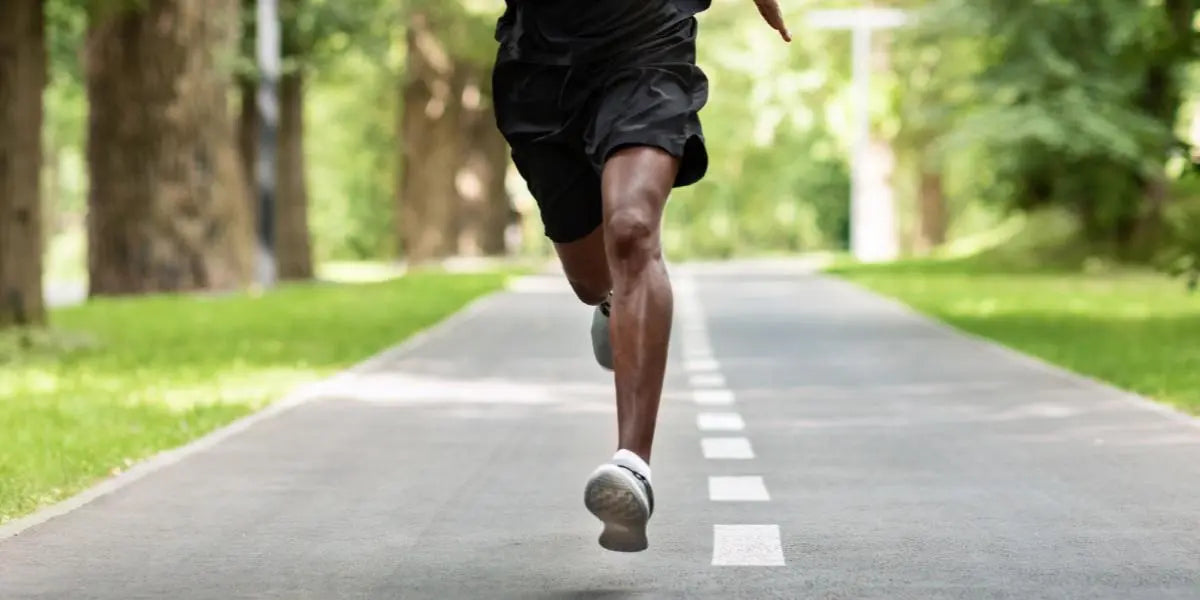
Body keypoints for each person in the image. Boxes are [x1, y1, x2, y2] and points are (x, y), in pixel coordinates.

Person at [491, 0, 790, 553]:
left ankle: (633, 466)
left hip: (648, 45)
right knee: (590, 279)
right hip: (538, 65)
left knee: (630, 229)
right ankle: (614, 303)